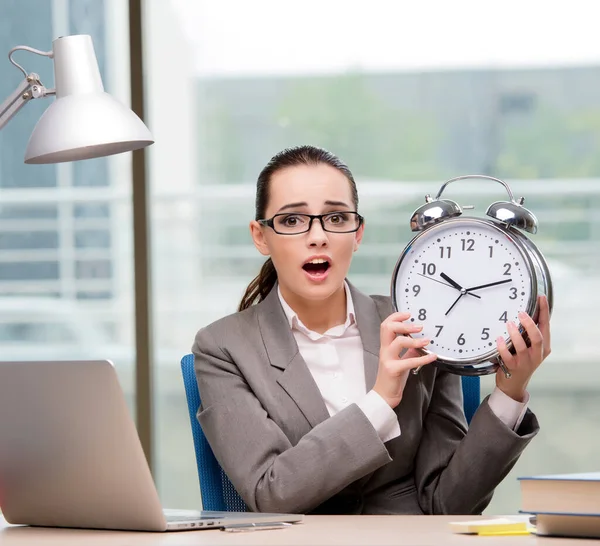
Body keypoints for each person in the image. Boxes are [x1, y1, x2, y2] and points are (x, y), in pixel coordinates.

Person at [192, 145, 551, 515]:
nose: (318, 237)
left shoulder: (415, 325)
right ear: (260, 236)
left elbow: (448, 504)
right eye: (292, 221)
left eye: (335, 218)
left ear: (358, 233)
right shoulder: (222, 348)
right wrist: (381, 400)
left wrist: (509, 392)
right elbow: (271, 494)